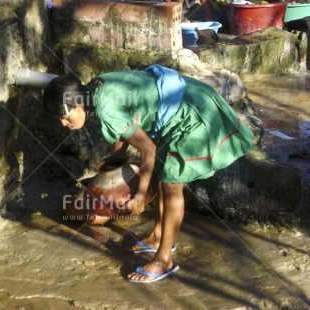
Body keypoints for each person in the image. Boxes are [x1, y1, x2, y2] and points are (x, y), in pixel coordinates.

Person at [43, 64, 254, 283]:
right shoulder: (96, 89)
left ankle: (163, 261)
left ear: (77, 103)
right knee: (164, 175)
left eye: (65, 117)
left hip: (192, 113)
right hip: (184, 101)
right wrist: (117, 156)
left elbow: (147, 149)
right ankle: (158, 237)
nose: (64, 124)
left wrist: (141, 195)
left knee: (172, 185)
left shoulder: (103, 109)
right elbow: (125, 122)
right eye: (59, 120)